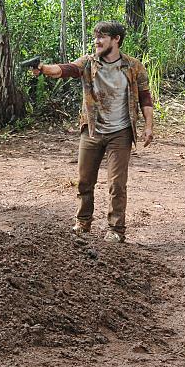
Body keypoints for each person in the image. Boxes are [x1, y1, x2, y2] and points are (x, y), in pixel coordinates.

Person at [30, 20, 154, 243]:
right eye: (96, 37)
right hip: (92, 129)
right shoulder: (88, 63)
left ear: (116, 39)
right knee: (84, 180)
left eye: (102, 37)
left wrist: (148, 126)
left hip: (121, 131)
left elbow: (145, 97)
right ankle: (83, 222)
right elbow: (65, 69)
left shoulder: (134, 66)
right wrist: (43, 69)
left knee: (117, 184)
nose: (97, 41)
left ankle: (116, 230)